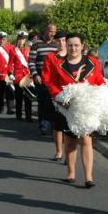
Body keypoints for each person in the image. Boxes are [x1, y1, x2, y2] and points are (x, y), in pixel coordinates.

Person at [43, 33, 105, 188]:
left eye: (76, 45)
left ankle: (89, 177)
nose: (73, 48)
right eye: (70, 45)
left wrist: (99, 94)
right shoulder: (59, 64)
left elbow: (99, 81)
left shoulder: (94, 63)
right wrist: (60, 97)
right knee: (70, 140)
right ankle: (71, 173)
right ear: (66, 46)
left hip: (86, 108)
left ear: (83, 46)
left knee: (86, 140)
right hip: (67, 108)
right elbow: (51, 83)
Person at [42, 31, 67, 161]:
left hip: (72, 95)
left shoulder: (73, 55)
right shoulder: (51, 57)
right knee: (58, 125)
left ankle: (69, 154)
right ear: (55, 42)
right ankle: (58, 151)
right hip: (56, 94)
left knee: (70, 127)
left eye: (63, 40)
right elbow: (46, 77)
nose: (61, 43)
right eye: (58, 41)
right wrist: (55, 93)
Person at [29, 23, 58, 135]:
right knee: (43, 101)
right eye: (50, 31)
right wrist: (35, 74)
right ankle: (43, 124)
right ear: (45, 30)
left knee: (52, 101)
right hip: (40, 77)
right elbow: (31, 61)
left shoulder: (56, 44)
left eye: (54, 32)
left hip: (53, 78)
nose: (52, 34)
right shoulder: (37, 44)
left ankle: (50, 123)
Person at [12, 31, 33, 122]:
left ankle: (28, 116)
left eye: (23, 39)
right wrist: (10, 74)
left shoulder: (29, 49)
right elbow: (10, 64)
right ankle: (19, 115)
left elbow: (32, 62)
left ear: (26, 40)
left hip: (28, 76)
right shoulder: (13, 50)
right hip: (18, 77)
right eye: (20, 39)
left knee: (28, 97)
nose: (21, 41)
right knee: (19, 97)